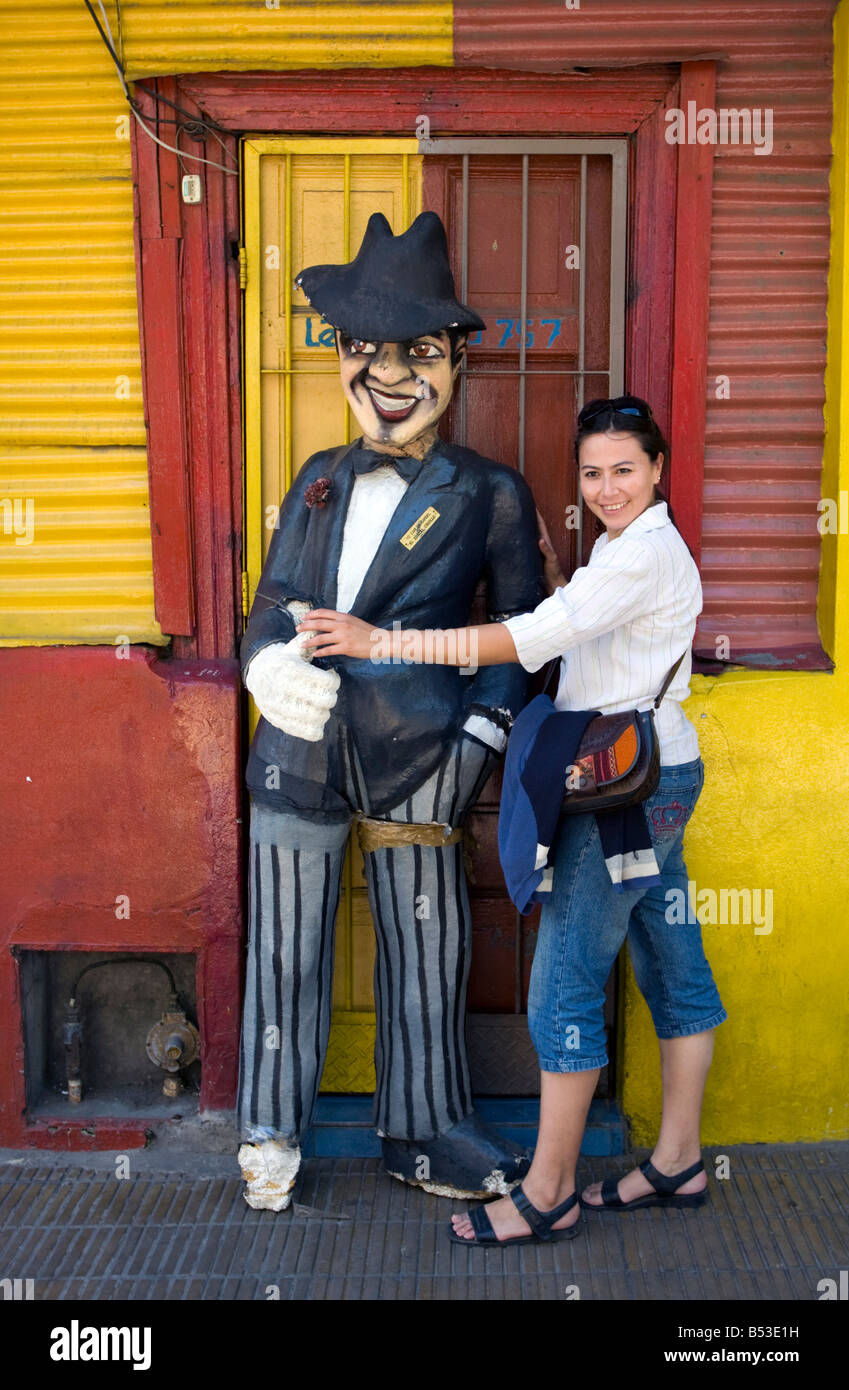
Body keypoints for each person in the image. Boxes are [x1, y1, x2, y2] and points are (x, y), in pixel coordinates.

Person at [296, 395, 728, 1245]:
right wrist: (568, 583)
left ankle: (548, 1191)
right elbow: (601, 633)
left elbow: (529, 639)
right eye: (593, 472)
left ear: (658, 469)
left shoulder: (640, 554)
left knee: (563, 983)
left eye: (625, 470)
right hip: (654, 776)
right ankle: (677, 1161)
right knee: (671, 961)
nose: (607, 488)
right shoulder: (623, 547)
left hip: (625, 795)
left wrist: (379, 641)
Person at [236, 210, 544, 1211]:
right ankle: (270, 1132)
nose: (386, 372)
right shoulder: (317, 476)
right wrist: (263, 668)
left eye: (414, 349)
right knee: (285, 947)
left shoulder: (490, 491)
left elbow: (523, 630)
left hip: (422, 758)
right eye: (363, 348)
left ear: (455, 358)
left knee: (429, 953)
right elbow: (273, 602)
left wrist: (479, 741)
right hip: (301, 747)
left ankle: (424, 1127)